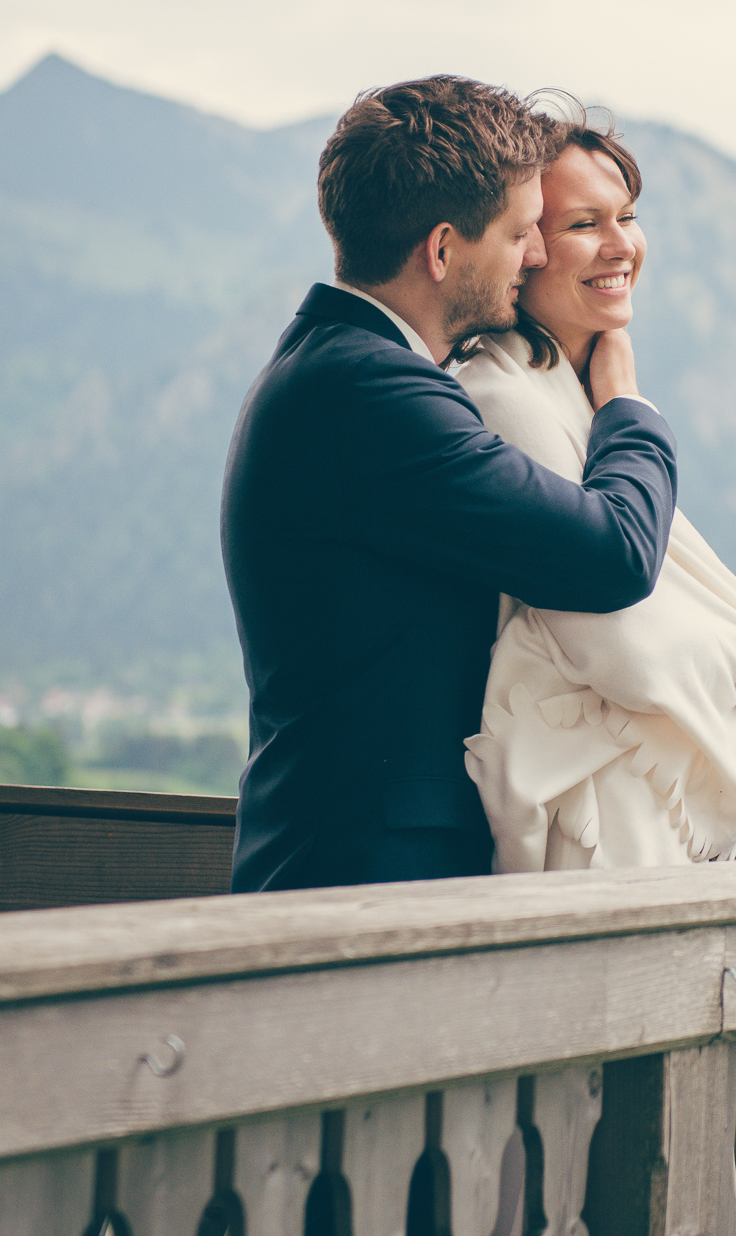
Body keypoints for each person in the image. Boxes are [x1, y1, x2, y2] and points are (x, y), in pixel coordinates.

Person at [220, 77, 678, 891]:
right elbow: (612, 553)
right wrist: (625, 402)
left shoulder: (338, 369)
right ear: (441, 250)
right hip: (359, 881)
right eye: (518, 234)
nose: (533, 255)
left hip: (352, 866)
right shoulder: (371, 397)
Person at [459, 118, 736, 870]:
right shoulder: (499, 397)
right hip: (590, 833)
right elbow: (630, 649)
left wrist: (619, 404)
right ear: (525, 247)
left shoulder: (582, 397)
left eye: (628, 217)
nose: (621, 246)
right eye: (584, 224)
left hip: (632, 814)